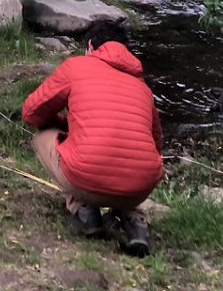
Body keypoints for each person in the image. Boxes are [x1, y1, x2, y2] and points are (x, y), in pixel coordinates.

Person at [21, 20, 164, 256]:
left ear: (90, 47)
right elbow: (157, 144)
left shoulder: (76, 67)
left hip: (86, 178)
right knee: (128, 159)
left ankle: (84, 211)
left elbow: (31, 112)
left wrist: (63, 127)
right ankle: (135, 220)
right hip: (140, 187)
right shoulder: (143, 87)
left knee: (42, 137)